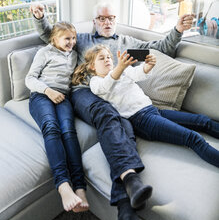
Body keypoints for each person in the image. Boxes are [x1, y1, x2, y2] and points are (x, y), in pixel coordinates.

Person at [30, 2, 194, 220]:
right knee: (107, 116)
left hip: (119, 98)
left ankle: (125, 210)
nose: (107, 22)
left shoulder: (127, 43)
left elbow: (160, 47)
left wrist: (177, 31)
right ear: (95, 21)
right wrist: (40, 18)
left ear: (116, 20)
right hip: (86, 92)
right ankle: (128, 186)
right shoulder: (83, 41)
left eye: (111, 18)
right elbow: (53, 35)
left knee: (124, 130)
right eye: (102, 18)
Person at [74, 44, 219, 169]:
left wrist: (148, 66)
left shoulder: (123, 71)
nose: (107, 60)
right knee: (193, 138)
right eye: (102, 58)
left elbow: (138, 73)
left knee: (203, 120)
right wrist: (119, 67)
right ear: (92, 66)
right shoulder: (96, 81)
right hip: (142, 121)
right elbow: (106, 86)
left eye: (109, 57)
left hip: (154, 110)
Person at [25, 21, 89, 213]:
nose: (71, 42)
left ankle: (79, 187)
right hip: (42, 95)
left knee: (69, 132)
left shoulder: (75, 55)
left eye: (73, 38)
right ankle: (63, 185)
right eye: (67, 38)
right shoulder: (45, 52)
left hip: (63, 97)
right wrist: (48, 91)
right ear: (54, 39)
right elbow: (30, 79)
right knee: (52, 128)